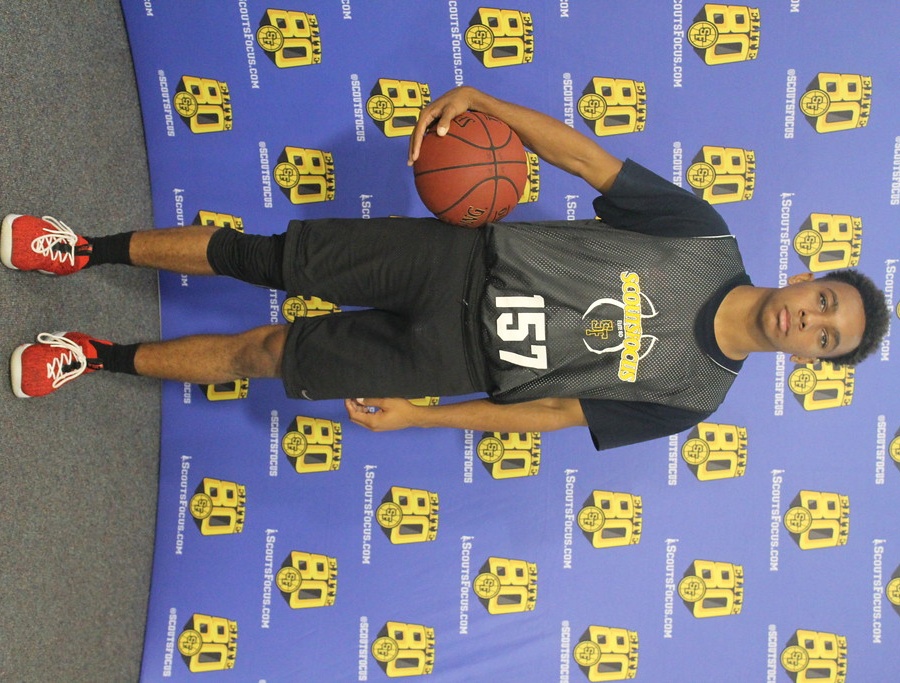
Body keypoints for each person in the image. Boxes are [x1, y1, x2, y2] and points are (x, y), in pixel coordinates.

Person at [2, 87, 889, 450]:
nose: (809, 321)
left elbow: (552, 413)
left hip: (453, 361)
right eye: (824, 301)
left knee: (268, 353)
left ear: (808, 361)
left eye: (825, 337)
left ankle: (92, 354)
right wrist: (483, 100)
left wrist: (425, 415)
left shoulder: (696, 397)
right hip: (453, 261)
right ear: (806, 276)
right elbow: (587, 160)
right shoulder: (702, 236)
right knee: (261, 256)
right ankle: (82, 248)